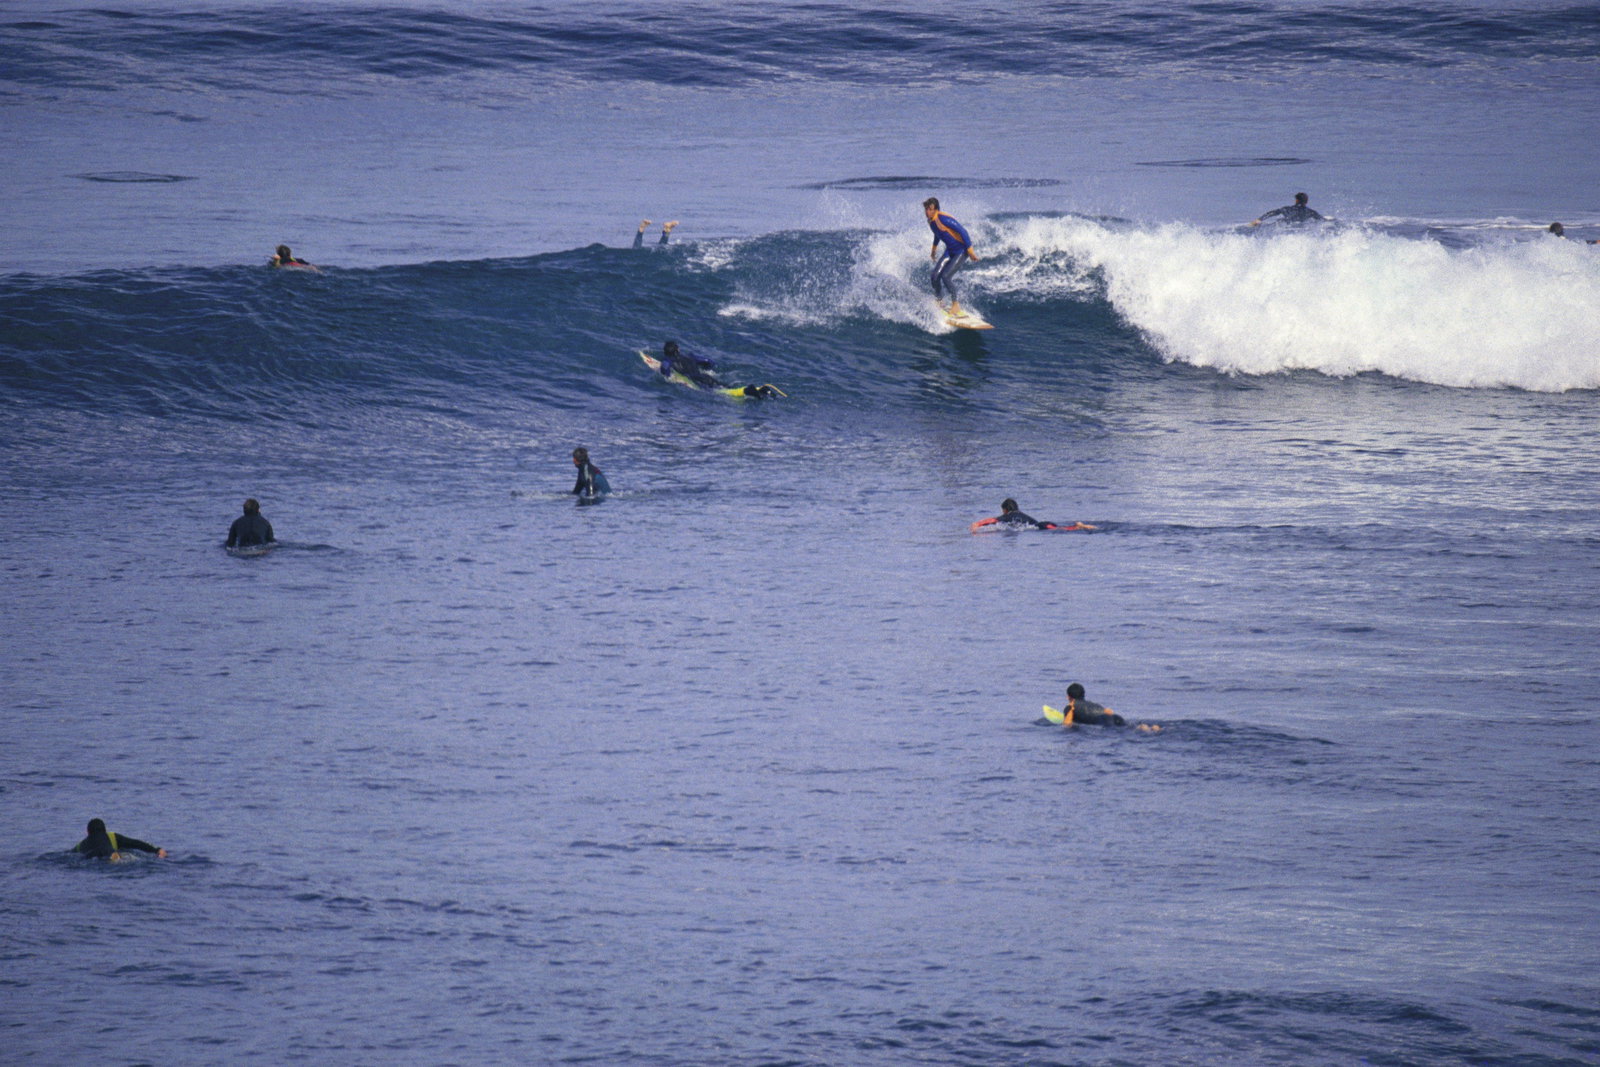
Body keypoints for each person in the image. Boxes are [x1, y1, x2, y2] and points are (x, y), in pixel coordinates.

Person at [923, 197, 980, 316]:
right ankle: (939, 301)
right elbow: (937, 234)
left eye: (929, 209)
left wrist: (970, 251)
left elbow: (963, 231)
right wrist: (933, 250)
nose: (927, 211)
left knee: (946, 276)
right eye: (926, 209)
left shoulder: (943, 219)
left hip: (961, 251)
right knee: (934, 276)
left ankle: (955, 304)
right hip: (950, 250)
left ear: (936, 210)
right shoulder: (931, 221)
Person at [970, 498, 1095, 533]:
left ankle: (1078, 526)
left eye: (1003, 511)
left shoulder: (1008, 516)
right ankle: (1077, 526)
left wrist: (978, 524)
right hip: (1044, 523)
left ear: (1006, 510)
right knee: (1061, 528)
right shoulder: (1020, 514)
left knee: (1062, 529)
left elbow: (993, 520)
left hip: (1042, 527)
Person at [73, 817, 167, 861]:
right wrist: (157, 850)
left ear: (88, 832)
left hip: (91, 857)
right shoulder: (112, 836)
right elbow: (135, 843)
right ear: (105, 830)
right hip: (113, 855)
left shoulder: (80, 845)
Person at [1249, 192, 1325, 227]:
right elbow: (1322, 220)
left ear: (1296, 200)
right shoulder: (1311, 212)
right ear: (1307, 201)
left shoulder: (1287, 209)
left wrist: (1259, 219)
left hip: (1286, 227)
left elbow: (1273, 213)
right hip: (1301, 229)